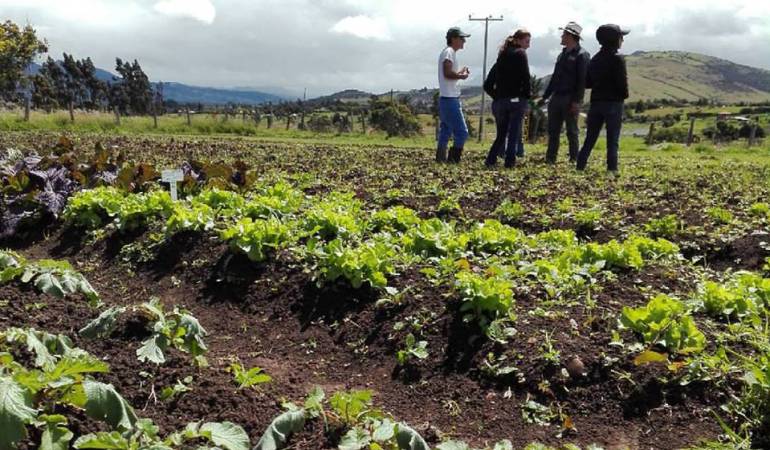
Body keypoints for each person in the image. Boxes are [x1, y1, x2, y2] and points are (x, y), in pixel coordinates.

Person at [576, 24, 630, 174]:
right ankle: (612, 168)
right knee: (612, 138)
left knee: (590, 137)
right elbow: (622, 84)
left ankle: (580, 166)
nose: (623, 40)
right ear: (615, 40)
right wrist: (624, 95)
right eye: (621, 37)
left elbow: (587, 83)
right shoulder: (618, 59)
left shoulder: (595, 59)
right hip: (614, 103)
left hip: (596, 102)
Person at [541, 22, 590, 164]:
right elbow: (555, 77)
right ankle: (550, 158)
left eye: (564, 34)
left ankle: (574, 158)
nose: (562, 37)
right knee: (553, 130)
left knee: (571, 130)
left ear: (571, 36)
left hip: (570, 97)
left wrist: (576, 101)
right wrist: (545, 97)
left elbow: (582, 81)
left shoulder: (582, 55)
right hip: (556, 97)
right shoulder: (562, 55)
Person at [484, 29, 532, 168]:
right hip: (516, 100)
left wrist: (497, 96)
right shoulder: (520, 54)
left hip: (501, 101)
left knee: (501, 134)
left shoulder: (501, 56)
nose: (528, 45)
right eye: (526, 41)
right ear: (518, 40)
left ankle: (491, 159)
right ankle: (510, 162)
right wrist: (527, 97)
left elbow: (488, 84)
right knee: (514, 132)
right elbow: (526, 77)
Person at [436, 27, 471, 163]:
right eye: (462, 38)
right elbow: (447, 73)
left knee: (445, 131)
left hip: (445, 98)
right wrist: (462, 76)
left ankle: (440, 159)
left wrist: (459, 73)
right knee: (462, 132)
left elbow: (448, 73)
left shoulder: (447, 53)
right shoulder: (449, 52)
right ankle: (453, 160)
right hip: (450, 99)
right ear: (454, 39)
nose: (464, 41)